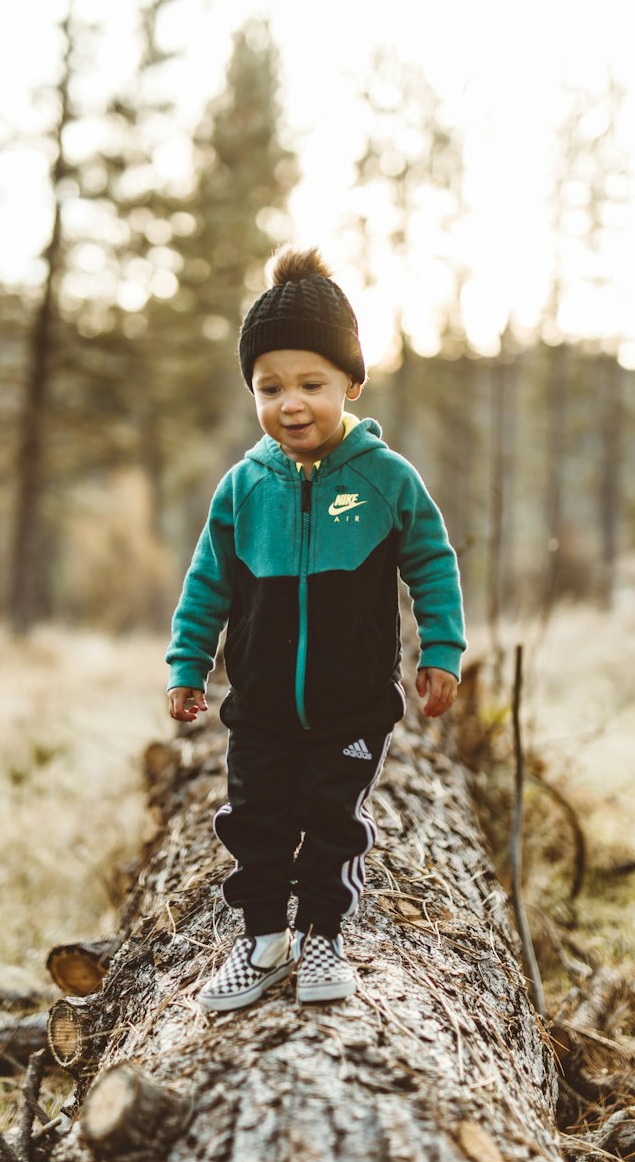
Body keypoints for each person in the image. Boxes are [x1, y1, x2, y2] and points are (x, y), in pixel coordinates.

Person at [166, 246, 466, 1013]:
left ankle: (324, 938)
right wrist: (186, 666)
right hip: (261, 704)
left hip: (352, 704)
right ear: (252, 391)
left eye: (311, 384)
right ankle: (264, 942)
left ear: (351, 384)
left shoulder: (385, 479)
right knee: (256, 821)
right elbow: (209, 583)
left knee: (333, 825)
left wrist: (442, 650)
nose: (290, 403)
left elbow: (431, 562)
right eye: (270, 387)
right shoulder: (244, 487)